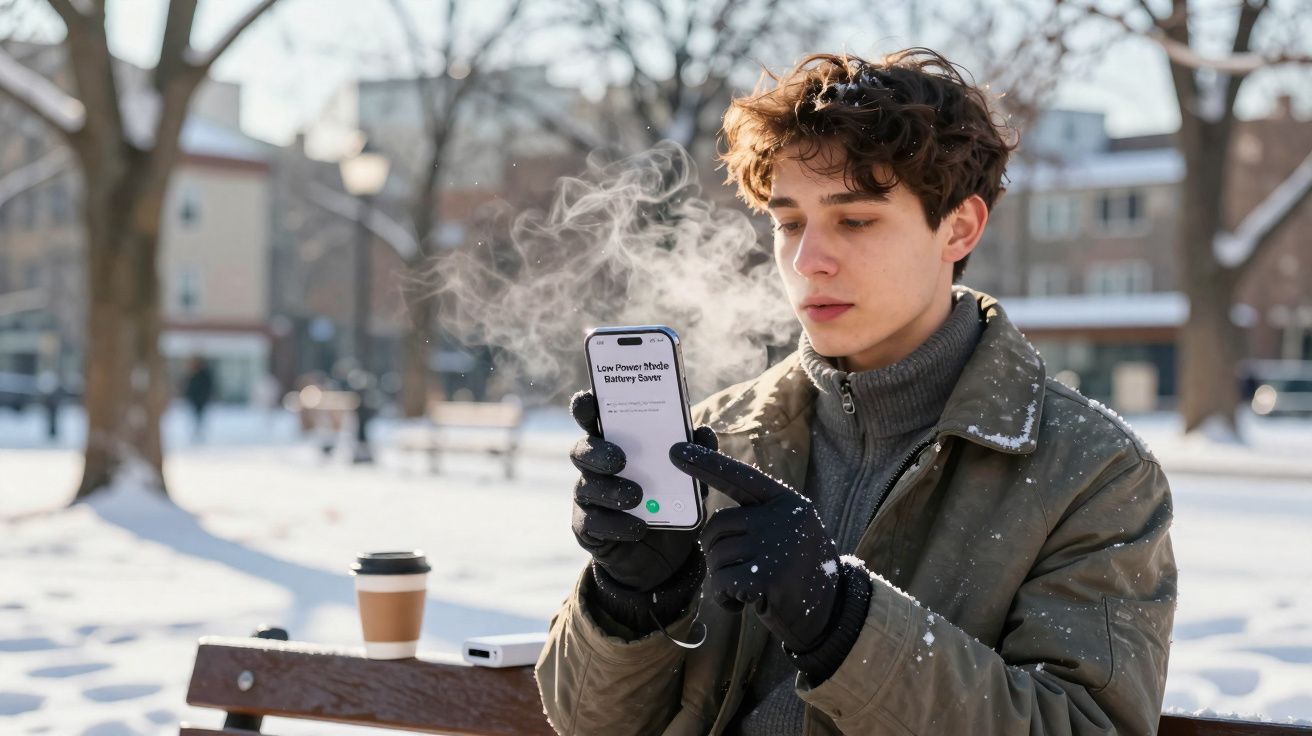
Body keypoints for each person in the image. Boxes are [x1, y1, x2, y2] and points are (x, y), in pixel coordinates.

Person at [536, 48, 1176, 735]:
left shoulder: (1092, 472)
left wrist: (843, 621)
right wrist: (632, 599)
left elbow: (1084, 728)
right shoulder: (714, 439)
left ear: (958, 227)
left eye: (856, 219)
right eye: (788, 223)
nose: (808, 260)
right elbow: (586, 724)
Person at [183, 356, 215, 441]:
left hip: (201, 400)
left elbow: (207, 387)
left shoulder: (204, 375)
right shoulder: (192, 374)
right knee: (195, 417)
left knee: (200, 417)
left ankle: (199, 433)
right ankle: (196, 433)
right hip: (194, 400)